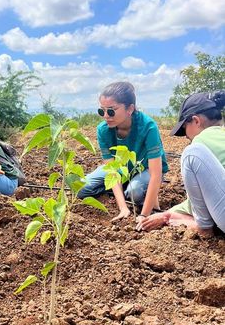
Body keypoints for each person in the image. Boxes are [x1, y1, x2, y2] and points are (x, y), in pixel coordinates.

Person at [78, 82, 168, 227]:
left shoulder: (148, 126)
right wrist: (123, 208)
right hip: (120, 170)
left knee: (135, 193)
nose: (106, 116)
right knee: (81, 187)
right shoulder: (103, 130)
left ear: (130, 109)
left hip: (145, 169)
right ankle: (124, 188)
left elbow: (156, 174)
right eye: (102, 111)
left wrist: (144, 215)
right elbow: (112, 171)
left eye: (111, 111)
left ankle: (132, 188)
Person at [141, 92, 225, 236]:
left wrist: (166, 215)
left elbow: (200, 204)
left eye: (185, 127)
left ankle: (203, 227)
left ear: (196, 121)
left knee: (191, 153)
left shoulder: (202, 141)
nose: (186, 135)